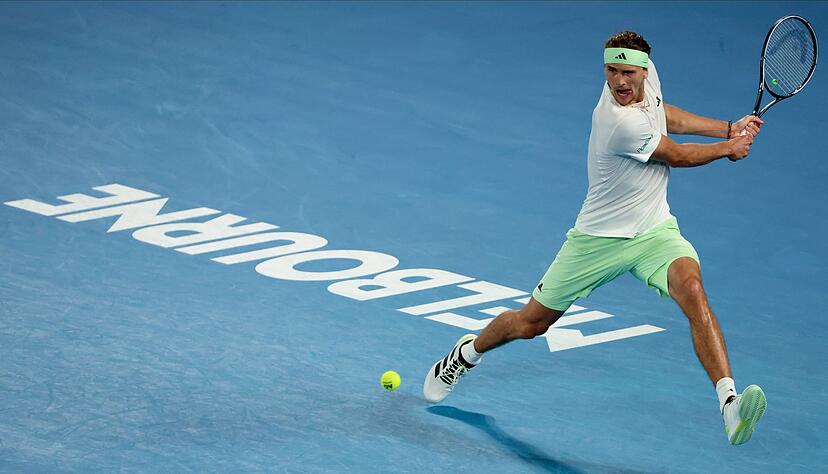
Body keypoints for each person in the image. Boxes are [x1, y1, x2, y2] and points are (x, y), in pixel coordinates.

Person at [422, 31, 767, 446]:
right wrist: (728, 147)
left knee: (693, 290)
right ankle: (467, 354)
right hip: (597, 240)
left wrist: (727, 127)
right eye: (610, 71)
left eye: (627, 72)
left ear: (644, 70)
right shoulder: (615, 121)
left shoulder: (646, 84)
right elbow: (675, 153)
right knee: (531, 324)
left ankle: (729, 405)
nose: (619, 82)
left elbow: (664, 113)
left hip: (654, 231)